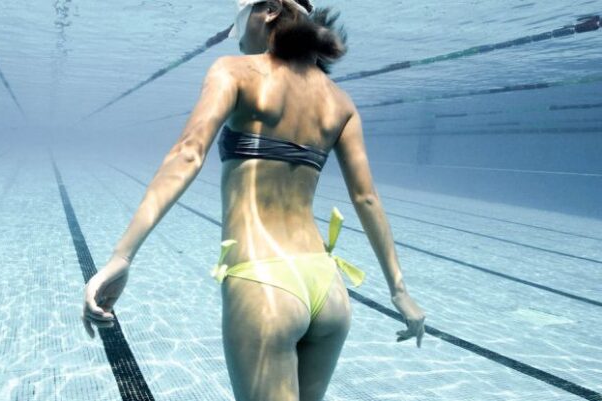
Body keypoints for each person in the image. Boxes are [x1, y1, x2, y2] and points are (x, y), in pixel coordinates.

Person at [83, 0, 426, 400]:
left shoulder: (234, 71)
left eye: (239, 22)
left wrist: (121, 257)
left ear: (267, 10)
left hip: (264, 282)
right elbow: (366, 198)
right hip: (327, 289)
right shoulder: (341, 103)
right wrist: (399, 291)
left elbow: (188, 154)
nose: (239, 38)